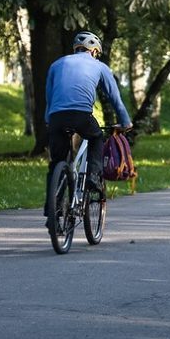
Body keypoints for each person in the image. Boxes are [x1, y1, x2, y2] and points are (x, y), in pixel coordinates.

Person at [44, 30, 132, 223]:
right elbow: (115, 99)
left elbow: (49, 99)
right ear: (94, 51)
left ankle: (52, 209)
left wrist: (49, 121)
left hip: (57, 117)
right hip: (82, 116)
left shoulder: (56, 64)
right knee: (96, 136)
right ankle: (93, 176)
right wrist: (125, 122)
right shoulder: (99, 66)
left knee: (56, 163)